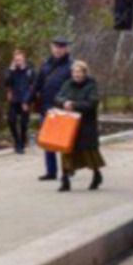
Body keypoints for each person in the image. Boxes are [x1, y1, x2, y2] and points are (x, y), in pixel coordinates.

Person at [25, 37, 72, 180]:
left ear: (66, 49)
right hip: (47, 107)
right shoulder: (45, 65)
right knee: (48, 140)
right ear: (52, 48)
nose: (58, 50)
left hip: (64, 108)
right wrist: (28, 100)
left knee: (64, 141)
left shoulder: (71, 66)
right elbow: (37, 85)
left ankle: (68, 169)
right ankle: (51, 171)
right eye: (56, 47)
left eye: (61, 47)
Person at [54, 60, 104, 192]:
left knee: (89, 153)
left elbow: (92, 103)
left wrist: (74, 105)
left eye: (79, 72)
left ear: (84, 73)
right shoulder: (67, 84)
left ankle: (96, 174)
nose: (76, 75)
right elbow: (58, 97)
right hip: (69, 124)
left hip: (85, 125)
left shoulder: (91, 85)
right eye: (74, 72)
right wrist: (64, 102)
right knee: (66, 151)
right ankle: (65, 179)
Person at [4, 49, 36, 154]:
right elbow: (6, 83)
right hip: (14, 99)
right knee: (11, 120)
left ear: (24, 59)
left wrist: (27, 101)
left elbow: (33, 87)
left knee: (24, 123)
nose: (18, 62)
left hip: (25, 99)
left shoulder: (30, 71)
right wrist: (11, 71)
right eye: (16, 60)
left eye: (20, 60)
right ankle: (17, 141)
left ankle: (22, 142)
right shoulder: (10, 70)